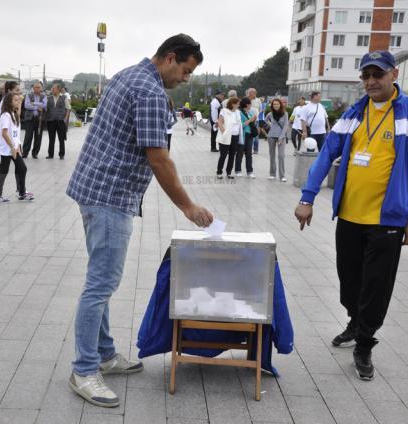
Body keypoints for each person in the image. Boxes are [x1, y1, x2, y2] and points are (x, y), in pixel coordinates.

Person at [66, 33, 213, 408]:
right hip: (109, 196)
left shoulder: (127, 75)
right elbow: (158, 158)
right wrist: (187, 207)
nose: (186, 78)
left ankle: (104, 354)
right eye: (185, 69)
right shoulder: (148, 92)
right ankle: (84, 370)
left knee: (101, 279)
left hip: (95, 189)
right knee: (101, 284)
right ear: (168, 58)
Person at [294, 50, 408, 381]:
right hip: (349, 215)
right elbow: (328, 152)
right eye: (366, 76)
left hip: (389, 219)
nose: (371, 81)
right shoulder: (354, 113)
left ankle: (364, 344)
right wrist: (307, 197)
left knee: (376, 285)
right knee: (348, 281)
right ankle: (355, 320)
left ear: (394, 74)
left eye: (378, 74)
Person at [0, 92, 34, 202]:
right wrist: (12, 147)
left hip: (14, 147)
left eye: (19, 100)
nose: (18, 102)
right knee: (5, 170)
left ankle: (21, 193)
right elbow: (4, 133)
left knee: (21, 168)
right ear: (9, 102)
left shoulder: (13, 114)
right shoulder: (5, 115)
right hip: (7, 148)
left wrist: (18, 146)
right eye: (15, 100)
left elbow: (15, 133)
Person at [264, 98, 290, 182]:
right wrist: (271, 126)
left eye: (277, 104)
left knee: (281, 156)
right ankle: (272, 174)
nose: (276, 105)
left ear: (280, 105)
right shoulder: (270, 114)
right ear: (272, 105)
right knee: (272, 155)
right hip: (271, 136)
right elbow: (265, 120)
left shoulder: (285, 114)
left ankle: (282, 176)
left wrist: (281, 137)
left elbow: (286, 126)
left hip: (281, 137)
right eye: (274, 104)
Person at [216, 96, 240, 179]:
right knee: (223, 155)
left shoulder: (238, 112)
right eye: (237, 104)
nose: (238, 105)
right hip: (226, 136)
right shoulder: (224, 111)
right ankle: (219, 172)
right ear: (232, 104)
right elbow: (220, 122)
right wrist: (224, 133)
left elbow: (239, 124)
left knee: (232, 155)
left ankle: (229, 172)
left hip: (235, 136)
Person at [22, 82, 47, 158]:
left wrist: (33, 103)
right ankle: (25, 153)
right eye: (36, 87)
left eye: (39, 87)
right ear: (33, 88)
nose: (37, 89)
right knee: (28, 136)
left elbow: (44, 105)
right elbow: (26, 105)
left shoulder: (44, 96)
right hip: (30, 118)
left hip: (40, 119)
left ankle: (35, 153)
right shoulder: (28, 95)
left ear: (41, 88)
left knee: (38, 137)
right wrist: (37, 106)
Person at [45, 83, 71, 159]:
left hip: (60, 121)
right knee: (51, 139)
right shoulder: (49, 98)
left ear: (59, 89)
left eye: (54, 88)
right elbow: (46, 108)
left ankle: (61, 154)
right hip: (51, 120)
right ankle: (50, 154)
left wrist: (65, 119)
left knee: (61, 139)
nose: (52, 90)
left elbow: (68, 108)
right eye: (52, 88)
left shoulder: (64, 97)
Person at [234, 97, 256, 178]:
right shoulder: (239, 113)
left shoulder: (249, 113)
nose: (251, 106)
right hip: (242, 135)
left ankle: (250, 171)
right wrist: (250, 120)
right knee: (240, 153)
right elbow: (241, 125)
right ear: (247, 104)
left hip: (250, 135)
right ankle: (238, 170)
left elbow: (252, 124)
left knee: (249, 154)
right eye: (250, 104)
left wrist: (253, 120)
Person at [247, 88, 261, 153]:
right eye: (251, 92)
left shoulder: (258, 100)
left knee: (256, 135)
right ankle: (248, 148)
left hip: (256, 120)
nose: (253, 94)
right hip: (248, 119)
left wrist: (257, 114)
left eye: (254, 92)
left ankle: (255, 149)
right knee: (248, 134)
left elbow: (260, 109)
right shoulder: (247, 99)